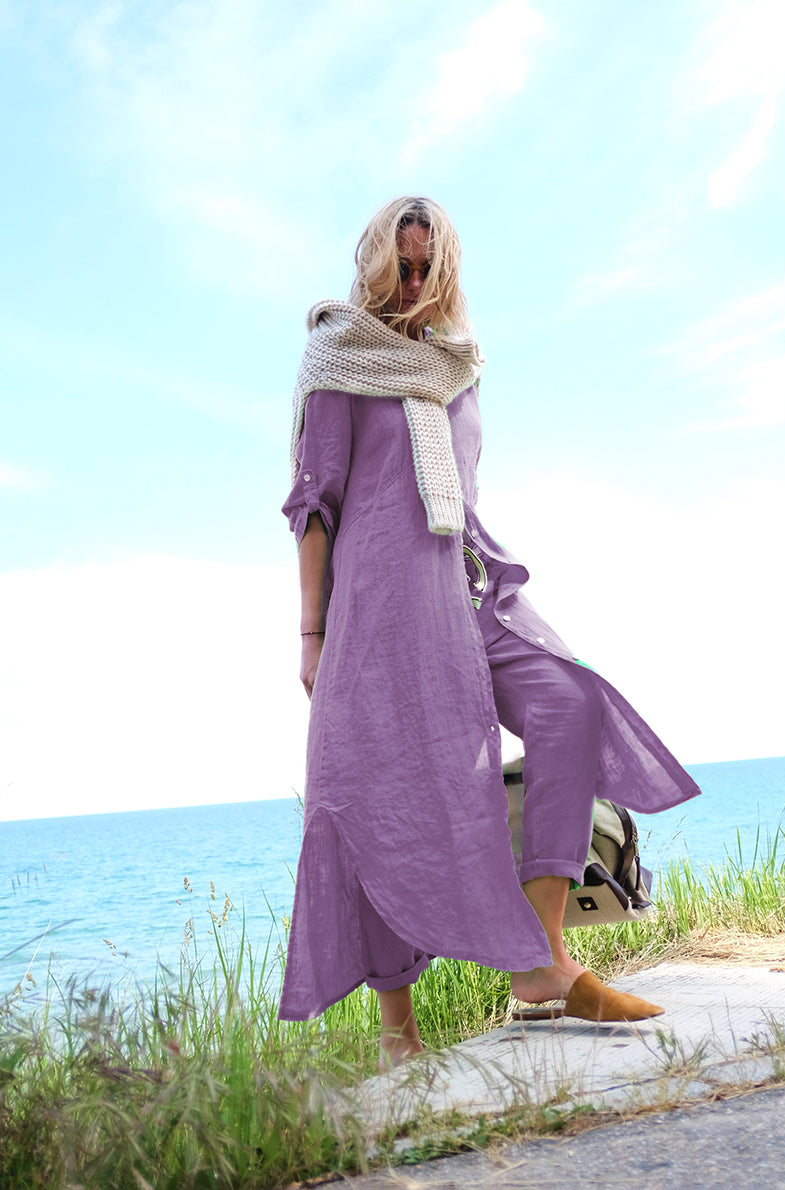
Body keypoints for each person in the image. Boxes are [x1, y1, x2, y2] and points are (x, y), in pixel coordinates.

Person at [278, 196, 700, 1067]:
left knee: (569, 702)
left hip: (470, 586)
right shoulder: (337, 359)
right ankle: (398, 1035)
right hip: (381, 606)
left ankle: (541, 961)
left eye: (429, 267)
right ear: (373, 263)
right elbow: (315, 505)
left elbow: (460, 494)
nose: (414, 281)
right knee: (375, 790)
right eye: (401, 265)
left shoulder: (459, 367)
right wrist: (311, 633)